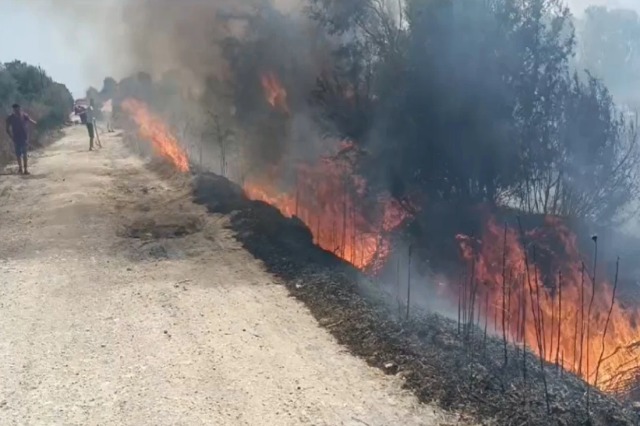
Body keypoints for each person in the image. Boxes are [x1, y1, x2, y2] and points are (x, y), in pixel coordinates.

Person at [5, 104, 37, 175]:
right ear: (13, 110)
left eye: (18, 109)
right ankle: (20, 168)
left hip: (24, 137)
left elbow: (30, 120)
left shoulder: (24, 115)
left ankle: (25, 169)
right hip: (16, 138)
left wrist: (35, 123)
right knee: (18, 154)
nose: (17, 110)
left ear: (20, 108)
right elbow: (7, 129)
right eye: (16, 109)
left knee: (24, 154)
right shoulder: (10, 117)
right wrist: (11, 137)